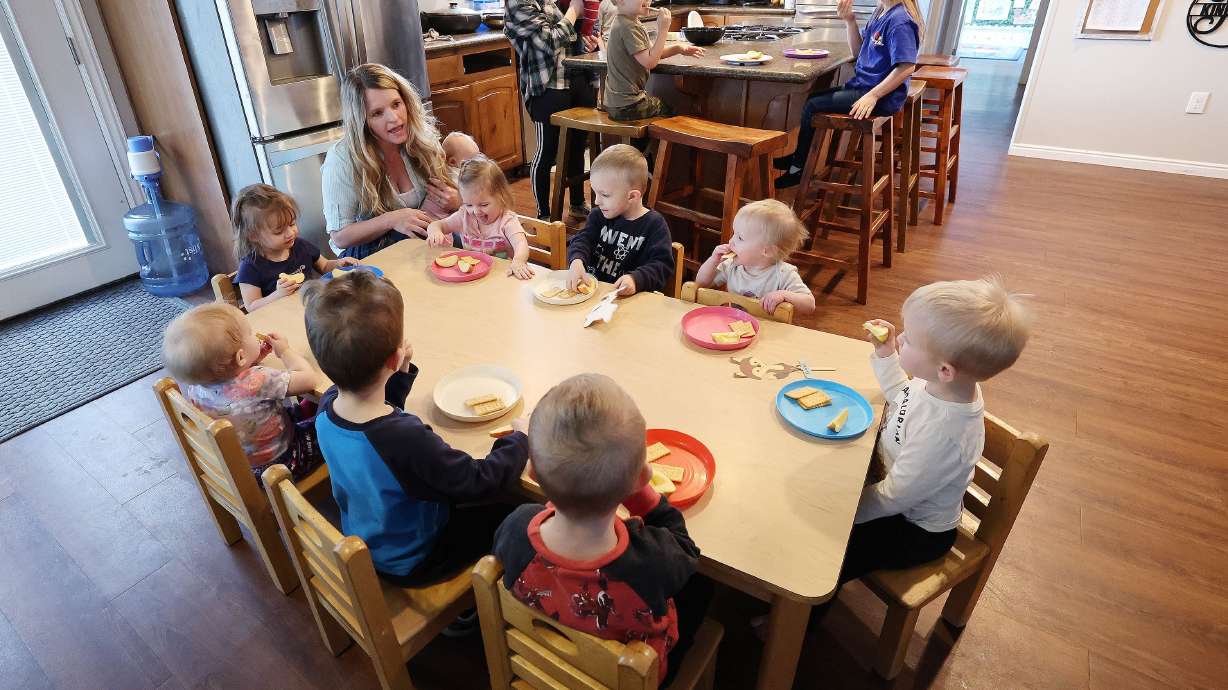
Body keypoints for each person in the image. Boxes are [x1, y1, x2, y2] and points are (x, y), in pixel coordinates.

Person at [301, 270, 529, 593]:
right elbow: (477, 482)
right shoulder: (404, 438)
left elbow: (376, 433)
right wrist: (519, 441)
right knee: (512, 510)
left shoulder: (326, 408)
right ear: (394, 357)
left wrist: (397, 378)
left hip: (369, 540)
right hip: (417, 558)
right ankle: (480, 609)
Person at [492, 373, 710, 685]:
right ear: (640, 478)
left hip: (542, 666)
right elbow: (687, 550)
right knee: (704, 589)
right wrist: (646, 498)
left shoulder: (516, 526)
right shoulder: (651, 562)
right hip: (630, 677)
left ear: (533, 473)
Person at [846, 276, 1031, 585]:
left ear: (945, 370)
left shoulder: (944, 434)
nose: (901, 338)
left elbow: (894, 498)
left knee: (835, 554)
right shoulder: (939, 385)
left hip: (914, 530)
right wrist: (887, 354)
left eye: (910, 340)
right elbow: (901, 397)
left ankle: (797, 623)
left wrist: (842, 512)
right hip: (891, 485)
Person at [162, 303, 323, 484]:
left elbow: (233, 390)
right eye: (250, 333)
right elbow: (310, 380)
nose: (254, 335)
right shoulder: (258, 380)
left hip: (245, 467)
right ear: (240, 357)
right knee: (331, 422)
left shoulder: (197, 388)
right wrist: (285, 351)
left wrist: (251, 360)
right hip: (284, 463)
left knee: (307, 408)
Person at [774, 0, 922, 188]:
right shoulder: (881, 13)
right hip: (863, 87)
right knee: (813, 99)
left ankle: (797, 168)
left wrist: (873, 96)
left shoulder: (900, 21)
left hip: (881, 96)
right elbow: (858, 52)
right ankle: (798, 158)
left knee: (813, 105)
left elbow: (907, 67)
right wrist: (849, 21)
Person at [321, 63, 461, 259]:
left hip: (420, 240)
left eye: (396, 104)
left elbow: (454, 196)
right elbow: (340, 238)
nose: (394, 118)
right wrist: (392, 219)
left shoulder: (421, 139)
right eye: (377, 113)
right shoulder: (342, 159)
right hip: (369, 253)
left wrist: (456, 200)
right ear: (362, 121)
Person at [505, 0, 596, 220]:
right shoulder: (518, 3)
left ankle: (576, 203)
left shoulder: (548, 1)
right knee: (547, 151)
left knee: (577, 146)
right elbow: (549, 41)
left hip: (578, 78)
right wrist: (574, 10)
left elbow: (572, 38)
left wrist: (589, 42)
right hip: (548, 86)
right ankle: (544, 215)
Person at [230, 184, 358, 312]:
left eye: (292, 224)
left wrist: (338, 264)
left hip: (311, 310)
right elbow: (251, 306)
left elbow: (324, 266)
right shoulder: (250, 266)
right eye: (279, 231)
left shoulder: (300, 245)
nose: (290, 233)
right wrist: (278, 295)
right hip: (281, 319)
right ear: (254, 236)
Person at [566, 144, 673, 296]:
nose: (596, 201)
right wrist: (576, 261)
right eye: (595, 192)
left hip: (631, 302)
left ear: (632, 196)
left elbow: (662, 265)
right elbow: (583, 240)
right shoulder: (598, 216)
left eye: (605, 195)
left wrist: (636, 279)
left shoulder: (654, 225)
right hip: (593, 295)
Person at [694, 200, 816, 316]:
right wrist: (713, 260)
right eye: (733, 234)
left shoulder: (783, 274)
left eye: (740, 238)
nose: (731, 241)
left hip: (769, 329)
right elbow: (702, 283)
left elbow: (810, 305)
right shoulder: (733, 266)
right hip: (736, 325)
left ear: (767, 251)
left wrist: (784, 295)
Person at [425, 156, 535, 280]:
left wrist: (519, 261)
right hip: (472, 280)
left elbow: (521, 243)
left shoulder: (507, 220)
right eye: (469, 205)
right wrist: (435, 232)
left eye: (484, 205)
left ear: (501, 196)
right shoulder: (464, 216)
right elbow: (437, 225)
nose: (476, 212)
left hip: (503, 278)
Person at [605, 1, 703, 121]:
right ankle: (654, 140)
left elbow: (653, 52)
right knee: (671, 112)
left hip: (617, 103)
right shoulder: (628, 27)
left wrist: (678, 48)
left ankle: (643, 140)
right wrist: (663, 29)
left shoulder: (628, 22)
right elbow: (650, 61)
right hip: (628, 104)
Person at [421, 132, 482, 221]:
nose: (478, 165)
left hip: (425, 214)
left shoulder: (439, 170)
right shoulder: (457, 174)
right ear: (453, 162)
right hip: (435, 220)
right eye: (473, 162)